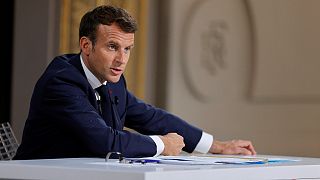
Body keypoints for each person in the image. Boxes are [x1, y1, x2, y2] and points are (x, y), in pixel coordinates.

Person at [14, 5, 256, 160]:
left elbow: (152, 117)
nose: (122, 59)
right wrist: (162, 144)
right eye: (112, 47)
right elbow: (105, 141)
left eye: (128, 49)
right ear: (86, 46)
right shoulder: (62, 81)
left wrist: (217, 146)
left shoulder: (113, 78)